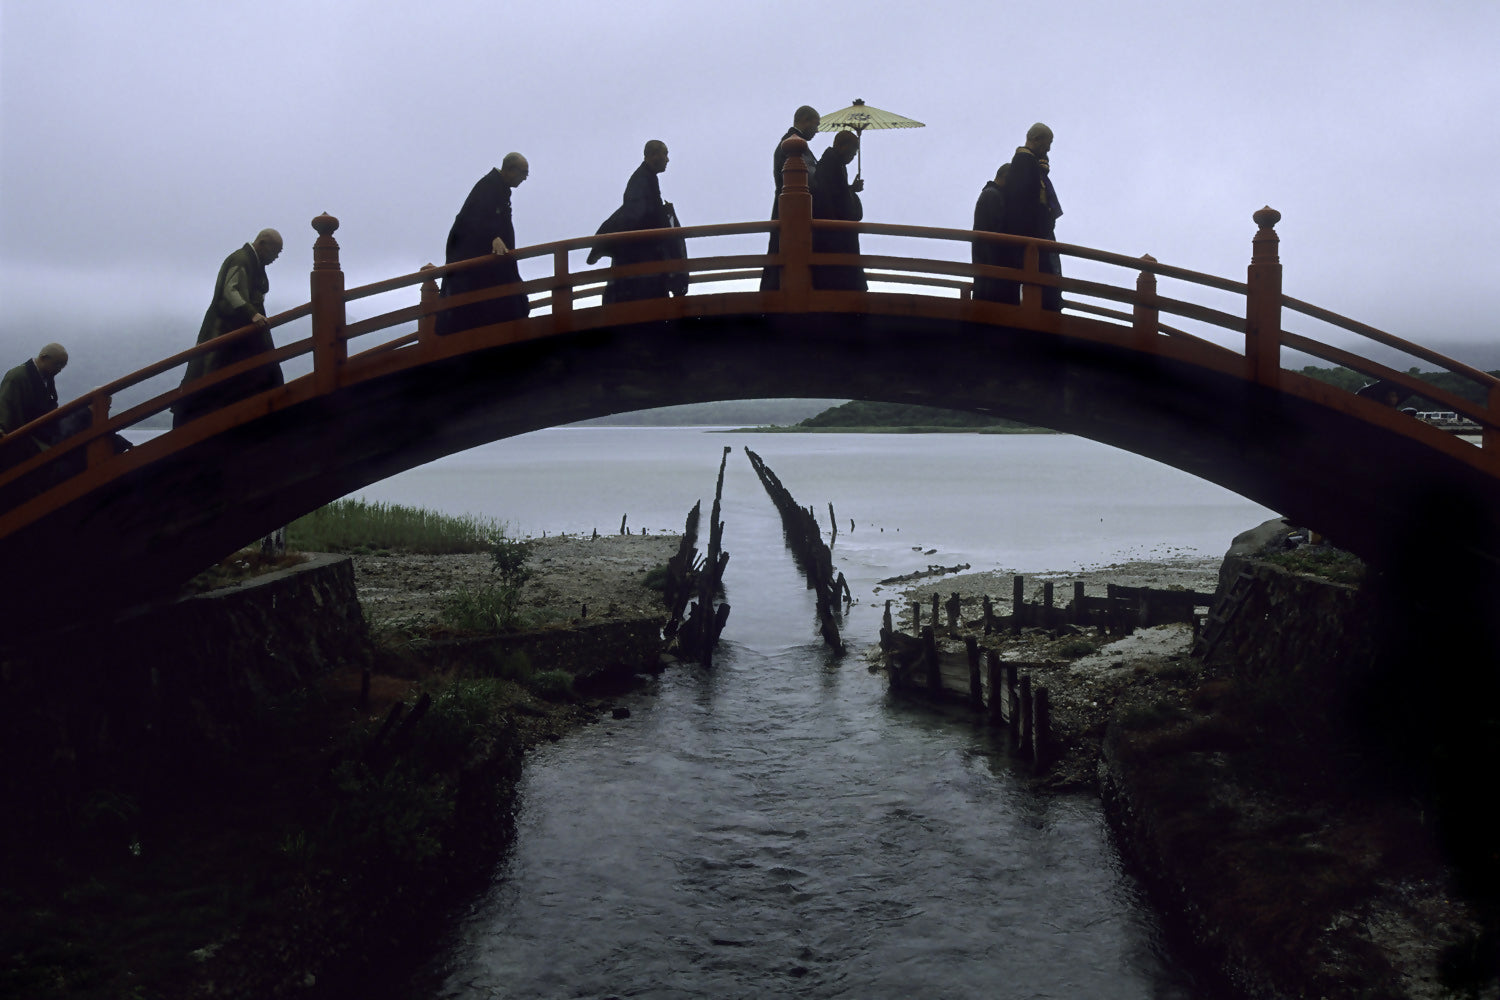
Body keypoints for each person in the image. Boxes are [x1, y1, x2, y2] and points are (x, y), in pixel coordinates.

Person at [172, 229, 285, 428]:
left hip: (245, 327)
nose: (275, 257)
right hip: (226, 325)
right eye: (274, 252)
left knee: (258, 369)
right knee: (211, 370)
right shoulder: (240, 259)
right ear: (262, 243)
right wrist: (252, 313)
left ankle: (267, 411)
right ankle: (193, 418)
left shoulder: (254, 263)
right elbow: (230, 290)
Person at [437, 152, 531, 335]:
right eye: (523, 173)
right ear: (510, 170)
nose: (525, 178)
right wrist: (492, 237)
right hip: (475, 262)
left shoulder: (499, 188)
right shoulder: (487, 187)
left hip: (489, 262)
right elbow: (473, 218)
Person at [590, 140, 686, 302]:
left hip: (640, 262)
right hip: (641, 262)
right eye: (665, 154)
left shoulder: (645, 178)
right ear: (653, 155)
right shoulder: (642, 179)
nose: (667, 159)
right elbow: (635, 214)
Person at [998, 122, 1064, 311]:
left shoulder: (1028, 163)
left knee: (1047, 275)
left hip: (1033, 235)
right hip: (1032, 237)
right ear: (1036, 140)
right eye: (1047, 143)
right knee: (1044, 276)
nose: (1049, 148)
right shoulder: (1025, 163)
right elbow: (1027, 204)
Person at [760, 104, 822, 291]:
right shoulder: (794, 145)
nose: (817, 130)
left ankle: (772, 289)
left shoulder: (787, 142)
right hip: (793, 210)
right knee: (788, 251)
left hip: (785, 208)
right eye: (815, 124)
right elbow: (811, 180)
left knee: (779, 252)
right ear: (804, 120)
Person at [809, 129, 866, 291]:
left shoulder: (835, 163)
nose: (853, 156)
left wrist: (851, 189)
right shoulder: (830, 163)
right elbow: (828, 196)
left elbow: (836, 191)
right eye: (853, 152)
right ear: (842, 146)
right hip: (833, 230)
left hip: (836, 227)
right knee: (839, 272)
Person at [0, 342, 68, 467]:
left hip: (41, 435)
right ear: (43, 358)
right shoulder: (16, 377)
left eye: (62, 367)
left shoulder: (47, 377)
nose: (59, 370)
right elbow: (4, 405)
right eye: (57, 364)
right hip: (23, 439)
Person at [971, 163, 1011, 302]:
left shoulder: (989, 194)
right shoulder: (993, 196)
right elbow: (997, 232)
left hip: (984, 266)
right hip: (990, 266)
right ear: (1006, 177)